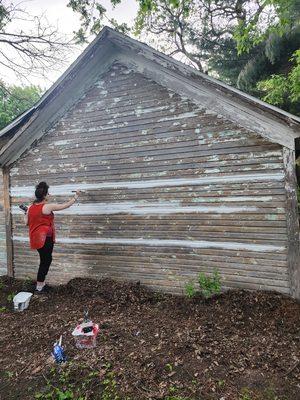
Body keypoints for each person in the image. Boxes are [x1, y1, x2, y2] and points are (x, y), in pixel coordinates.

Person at [23, 182, 79, 294]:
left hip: (36, 239)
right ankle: (39, 287)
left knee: (44, 260)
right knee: (45, 261)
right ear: (44, 195)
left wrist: (26, 212)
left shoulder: (31, 208)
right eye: (48, 193)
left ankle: (41, 284)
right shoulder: (47, 207)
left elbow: (26, 223)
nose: (49, 194)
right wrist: (75, 197)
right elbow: (65, 206)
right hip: (45, 239)